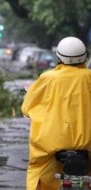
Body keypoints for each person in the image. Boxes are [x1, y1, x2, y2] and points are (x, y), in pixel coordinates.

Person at [21, 36, 91, 190]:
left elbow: (27, 108)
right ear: (84, 57)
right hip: (88, 147)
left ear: (58, 57)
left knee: (37, 170)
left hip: (51, 147)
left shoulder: (48, 78)